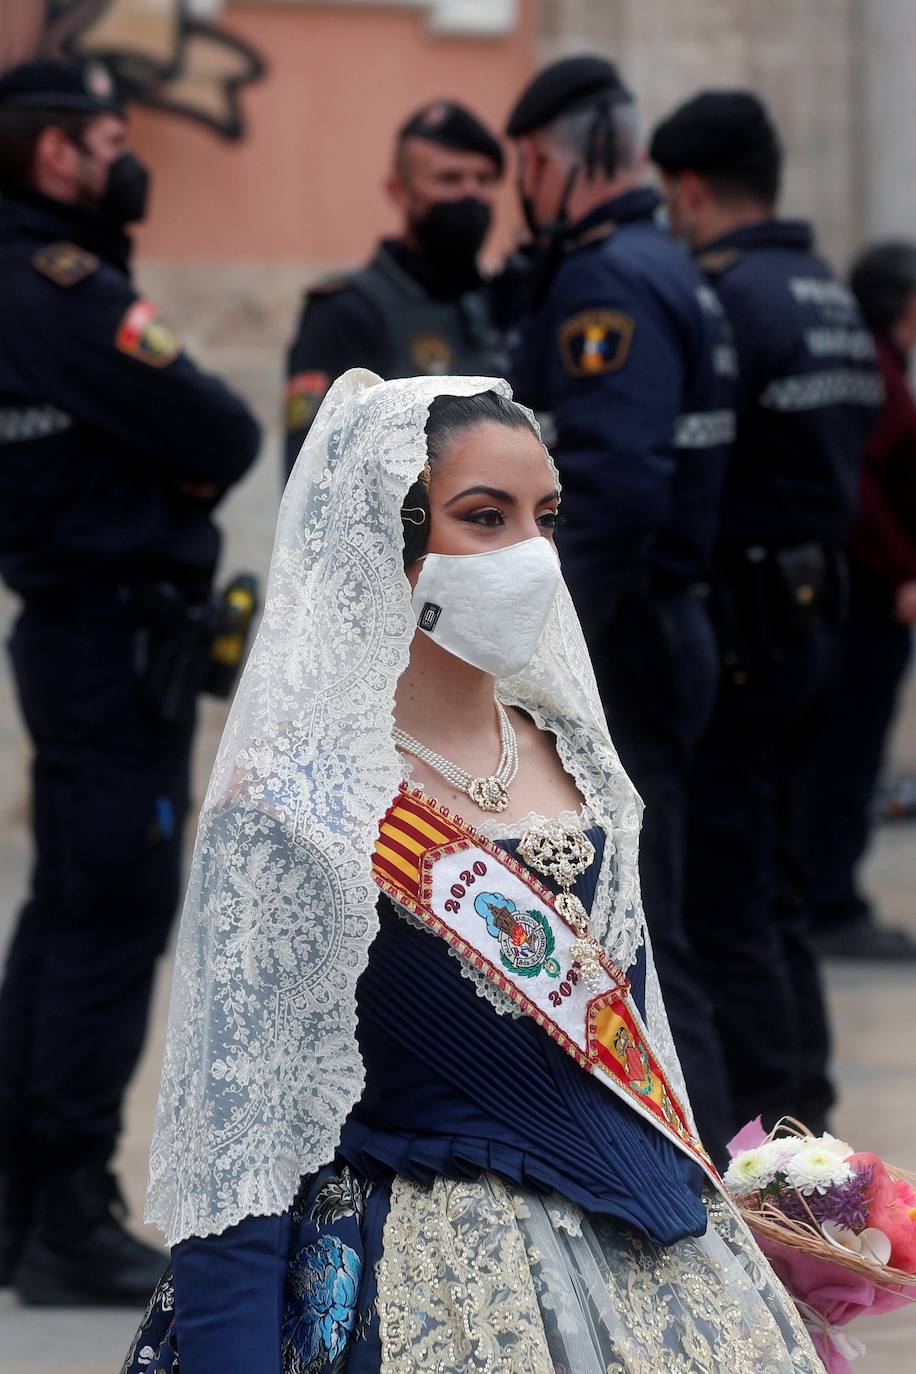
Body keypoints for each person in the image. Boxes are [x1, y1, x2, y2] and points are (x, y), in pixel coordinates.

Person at [121, 371, 820, 1373]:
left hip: (658, 1270)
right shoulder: (297, 804)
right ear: (386, 542)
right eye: (484, 518)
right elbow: (244, 1152)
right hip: (428, 1286)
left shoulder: (575, 758)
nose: (529, 554)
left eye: (546, 517)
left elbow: (632, 1048)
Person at [0, 58, 261, 1304]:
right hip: (113, 640)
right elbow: (217, 430)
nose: (123, 154)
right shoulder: (60, 287)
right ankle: (67, 1212)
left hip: (83, 636)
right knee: (108, 916)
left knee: (65, 911)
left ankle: (22, 1203)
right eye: (109, 133)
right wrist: (169, 472)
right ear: (58, 153)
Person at [505, 56, 736, 1165]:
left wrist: (537, 656)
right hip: (670, 625)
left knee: (637, 933)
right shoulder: (669, 265)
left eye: (524, 168)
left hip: (627, 640)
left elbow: (612, 488)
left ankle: (695, 1191)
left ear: (550, 161)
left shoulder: (607, 283)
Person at [650, 91, 884, 1134]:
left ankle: (769, 1140)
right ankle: (807, 1113)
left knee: (728, 897)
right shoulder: (824, 289)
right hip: (812, 608)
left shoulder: (729, 296)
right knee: (779, 888)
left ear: (690, 189)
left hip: (743, 621)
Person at [283, 100, 507, 476]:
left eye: (484, 180)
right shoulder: (347, 312)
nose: (472, 195)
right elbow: (314, 481)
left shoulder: (494, 303)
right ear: (399, 191)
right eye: (450, 179)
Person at [805, 242, 916, 960]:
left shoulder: (876, 365)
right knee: (847, 752)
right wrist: (903, 569)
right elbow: (863, 491)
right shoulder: (872, 371)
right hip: (871, 598)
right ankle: (831, 900)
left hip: (874, 592)